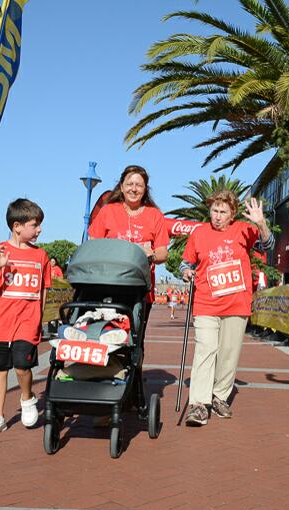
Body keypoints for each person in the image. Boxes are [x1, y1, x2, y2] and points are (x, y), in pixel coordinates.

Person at [180, 191, 274, 426]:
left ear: (232, 214)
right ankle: (199, 405)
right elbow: (186, 261)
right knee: (206, 348)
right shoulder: (199, 233)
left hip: (236, 303)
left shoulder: (244, 229)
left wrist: (260, 222)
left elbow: (268, 243)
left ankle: (220, 396)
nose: (218, 216)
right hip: (206, 302)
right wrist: (185, 271)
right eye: (214, 211)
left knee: (228, 353)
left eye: (223, 212)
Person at [0, 198, 52, 436]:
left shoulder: (41, 256)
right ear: (17, 226)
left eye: (39, 224)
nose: (39, 229)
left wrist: (39, 318)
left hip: (28, 323)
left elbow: (43, 291)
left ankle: (27, 399)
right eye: (34, 224)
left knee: (21, 366)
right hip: (1, 323)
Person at [88, 165, 169, 325]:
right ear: (122, 187)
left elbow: (163, 253)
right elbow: (92, 246)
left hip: (140, 289)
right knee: (105, 332)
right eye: (129, 184)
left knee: (135, 339)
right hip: (108, 284)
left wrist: (151, 255)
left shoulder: (155, 215)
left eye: (139, 185)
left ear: (145, 189)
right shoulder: (108, 211)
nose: (134, 189)